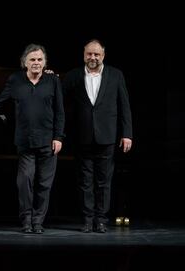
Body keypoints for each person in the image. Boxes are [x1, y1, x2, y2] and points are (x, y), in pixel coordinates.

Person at [0, 43, 65, 234]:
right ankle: (26, 220)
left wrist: (58, 137)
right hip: (25, 141)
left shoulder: (53, 81)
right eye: (32, 59)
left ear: (45, 62)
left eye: (40, 59)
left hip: (48, 141)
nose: (36, 63)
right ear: (25, 62)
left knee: (44, 184)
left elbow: (60, 112)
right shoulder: (15, 80)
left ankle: (38, 222)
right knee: (25, 181)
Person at [62, 39, 133, 233]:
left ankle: (101, 220)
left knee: (104, 181)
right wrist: (50, 76)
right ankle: (87, 219)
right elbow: (58, 97)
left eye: (96, 54)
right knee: (85, 181)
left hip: (107, 136)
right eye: (89, 54)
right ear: (84, 55)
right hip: (82, 136)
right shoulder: (73, 76)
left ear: (103, 55)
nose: (92, 57)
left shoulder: (116, 75)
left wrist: (127, 134)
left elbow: (124, 106)